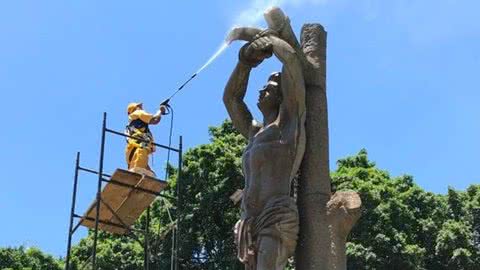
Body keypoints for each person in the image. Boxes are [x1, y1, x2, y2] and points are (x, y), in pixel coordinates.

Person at [223, 31, 306, 270]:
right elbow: (231, 99)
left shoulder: (288, 126)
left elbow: (291, 63)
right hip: (249, 221)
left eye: (269, 88)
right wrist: (245, 61)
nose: (261, 91)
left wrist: (274, 43)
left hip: (276, 217)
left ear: (282, 97)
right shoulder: (254, 131)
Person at [125, 102, 166, 177]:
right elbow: (154, 119)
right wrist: (160, 111)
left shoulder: (133, 122)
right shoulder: (138, 112)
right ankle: (141, 172)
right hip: (140, 144)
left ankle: (144, 171)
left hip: (132, 147)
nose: (141, 108)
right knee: (139, 165)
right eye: (139, 106)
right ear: (135, 108)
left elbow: (155, 120)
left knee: (140, 164)